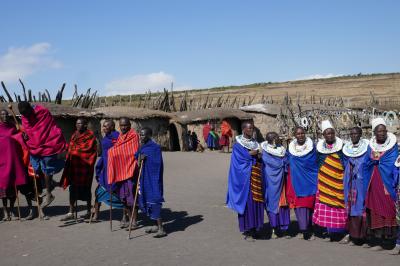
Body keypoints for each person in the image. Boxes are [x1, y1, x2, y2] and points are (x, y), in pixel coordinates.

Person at [17, 101, 66, 208]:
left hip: (48, 143)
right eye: (24, 114)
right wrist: (25, 135)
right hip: (34, 146)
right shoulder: (25, 117)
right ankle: (50, 185)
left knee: (47, 168)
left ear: (31, 108)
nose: (26, 116)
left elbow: (48, 127)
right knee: (36, 169)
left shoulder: (42, 112)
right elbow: (28, 130)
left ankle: (49, 194)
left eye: (27, 113)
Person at [363, 118, 398, 251]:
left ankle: (389, 241)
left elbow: (392, 162)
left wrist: (379, 161)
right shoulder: (370, 147)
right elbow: (367, 162)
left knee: (389, 208)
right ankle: (378, 240)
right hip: (374, 181)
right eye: (379, 131)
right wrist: (373, 161)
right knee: (375, 210)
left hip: (388, 182)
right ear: (375, 133)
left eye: (384, 131)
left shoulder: (393, 147)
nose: (382, 133)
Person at [226, 121, 264, 241]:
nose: (251, 130)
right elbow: (238, 162)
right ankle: (248, 230)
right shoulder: (238, 145)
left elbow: (259, 158)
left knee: (257, 202)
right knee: (247, 204)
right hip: (245, 181)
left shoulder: (255, 143)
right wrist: (250, 155)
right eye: (249, 128)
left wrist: (258, 156)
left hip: (256, 177)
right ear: (243, 130)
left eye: (252, 128)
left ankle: (256, 228)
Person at [312, 120, 347, 242]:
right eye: (327, 133)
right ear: (323, 135)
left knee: (339, 207)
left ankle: (340, 232)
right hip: (324, 182)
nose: (330, 135)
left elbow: (345, 162)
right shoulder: (319, 150)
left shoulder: (342, 148)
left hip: (338, 182)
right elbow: (317, 163)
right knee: (327, 207)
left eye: (332, 133)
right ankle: (329, 233)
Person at [60, 118, 97, 221]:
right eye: (76, 123)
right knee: (72, 189)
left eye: (80, 123)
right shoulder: (74, 134)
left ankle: (89, 211)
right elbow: (72, 147)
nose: (77, 125)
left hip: (85, 168)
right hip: (74, 167)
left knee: (86, 189)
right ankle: (71, 212)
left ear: (85, 125)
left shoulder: (90, 136)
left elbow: (88, 151)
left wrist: (73, 151)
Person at [0, 109, 33, 220]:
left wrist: (24, 136)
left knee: (14, 186)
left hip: (14, 160)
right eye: (3, 114)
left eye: (6, 114)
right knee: (3, 188)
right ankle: (5, 212)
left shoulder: (13, 127)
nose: (5, 116)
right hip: (2, 163)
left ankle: (11, 208)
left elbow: (20, 138)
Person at [286, 126, 318, 240]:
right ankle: (303, 229)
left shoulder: (312, 147)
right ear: (295, 135)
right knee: (299, 206)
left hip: (310, 181)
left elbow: (315, 163)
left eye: (302, 133)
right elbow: (286, 161)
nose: (300, 135)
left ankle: (310, 229)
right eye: (298, 134)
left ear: (305, 134)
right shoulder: (290, 149)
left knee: (309, 206)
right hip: (296, 182)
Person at [108, 117, 140, 229]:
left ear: (130, 125)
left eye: (125, 125)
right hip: (121, 173)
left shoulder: (133, 136)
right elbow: (117, 150)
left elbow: (131, 152)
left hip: (130, 171)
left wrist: (113, 152)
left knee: (132, 198)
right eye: (121, 125)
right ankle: (129, 219)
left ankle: (135, 221)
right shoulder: (120, 137)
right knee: (124, 198)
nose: (123, 127)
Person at [135, 127, 166, 238]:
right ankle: (155, 226)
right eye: (140, 134)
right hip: (144, 178)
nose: (141, 137)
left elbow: (158, 164)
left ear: (149, 135)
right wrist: (140, 157)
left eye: (143, 135)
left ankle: (161, 228)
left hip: (153, 178)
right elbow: (136, 158)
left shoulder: (155, 148)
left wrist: (147, 158)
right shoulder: (142, 147)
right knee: (146, 199)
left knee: (155, 199)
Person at [341, 127, 369, 245]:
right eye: (351, 134)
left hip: (362, 183)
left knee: (362, 207)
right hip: (351, 183)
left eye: (356, 134)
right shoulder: (346, 150)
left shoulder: (367, 149)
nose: (353, 136)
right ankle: (353, 236)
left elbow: (368, 163)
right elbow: (344, 163)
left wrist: (357, 164)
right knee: (351, 208)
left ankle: (364, 237)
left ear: (360, 134)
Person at [92, 120, 123, 221]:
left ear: (112, 126)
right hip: (105, 169)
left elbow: (121, 153)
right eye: (103, 126)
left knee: (120, 193)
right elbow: (103, 153)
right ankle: (96, 215)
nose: (103, 128)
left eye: (106, 126)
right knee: (98, 192)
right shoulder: (106, 137)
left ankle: (125, 216)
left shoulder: (118, 138)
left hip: (115, 170)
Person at [262, 132, 290, 239]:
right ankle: (273, 228)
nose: (279, 138)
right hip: (271, 181)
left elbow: (287, 160)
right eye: (276, 137)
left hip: (282, 181)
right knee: (272, 204)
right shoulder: (265, 152)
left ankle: (284, 228)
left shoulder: (281, 150)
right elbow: (271, 163)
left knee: (283, 203)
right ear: (272, 140)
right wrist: (282, 163)